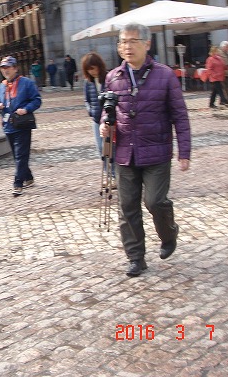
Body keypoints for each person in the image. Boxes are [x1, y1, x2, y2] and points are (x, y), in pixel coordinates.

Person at [99, 22, 191, 278]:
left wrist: (184, 152)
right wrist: (105, 125)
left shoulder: (164, 75)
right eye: (122, 42)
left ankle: (168, 233)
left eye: (132, 41)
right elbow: (107, 111)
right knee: (127, 207)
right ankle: (136, 258)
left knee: (155, 201)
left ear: (147, 44)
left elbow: (180, 116)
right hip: (124, 153)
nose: (127, 46)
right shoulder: (113, 77)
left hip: (156, 152)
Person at [0, 56, 42, 196]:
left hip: (22, 124)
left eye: (8, 67)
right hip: (8, 125)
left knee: (21, 154)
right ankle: (28, 177)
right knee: (17, 155)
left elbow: (37, 100)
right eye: (3, 68)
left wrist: (26, 109)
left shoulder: (26, 83)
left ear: (15, 68)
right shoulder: (2, 86)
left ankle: (18, 183)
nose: (5, 70)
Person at [81, 52, 113, 176]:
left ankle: (114, 173)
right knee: (101, 147)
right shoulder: (88, 82)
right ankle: (107, 172)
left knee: (111, 147)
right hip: (96, 119)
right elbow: (87, 99)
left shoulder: (109, 78)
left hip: (109, 119)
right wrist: (90, 110)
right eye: (89, 70)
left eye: (93, 68)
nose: (92, 72)